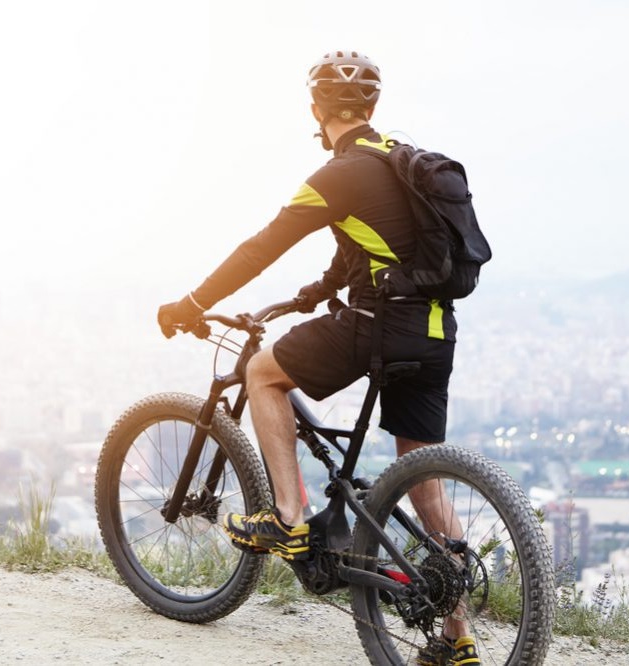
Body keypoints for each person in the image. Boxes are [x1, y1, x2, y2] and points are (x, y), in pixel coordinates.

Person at [158, 50, 479, 665]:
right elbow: (368, 247)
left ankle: (288, 517)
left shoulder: (338, 174)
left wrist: (192, 301)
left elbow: (261, 247)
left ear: (316, 111)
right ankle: (457, 636)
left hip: (379, 326)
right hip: (436, 332)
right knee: (425, 483)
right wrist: (313, 294)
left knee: (261, 371)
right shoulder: (400, 162)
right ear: (371, 108)